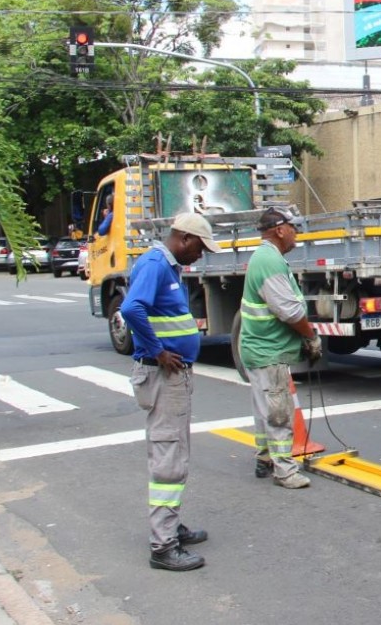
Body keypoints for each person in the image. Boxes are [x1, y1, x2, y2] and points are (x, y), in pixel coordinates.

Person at [122, 212, 221, 571]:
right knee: (169, 459)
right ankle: (163, 546)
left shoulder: (166, 266)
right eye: (199, 247)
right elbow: (131, 309)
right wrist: (157, 351)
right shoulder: (155, 264)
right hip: (163, 376)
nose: (201, 255)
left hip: (171, 376)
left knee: (174, 453)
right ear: (183, 238)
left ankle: (170, 526)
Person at [239, 207, 322, 489]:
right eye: (294, 228)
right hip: (267, 350)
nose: (297, 234)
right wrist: (311, 337)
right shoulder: (269, 261)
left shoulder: (266, 258)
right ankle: (285, 471)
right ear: (280, 229)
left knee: (264, 408)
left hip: (259, 348)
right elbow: (289, 312)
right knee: (278, 411)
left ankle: (265, 459)